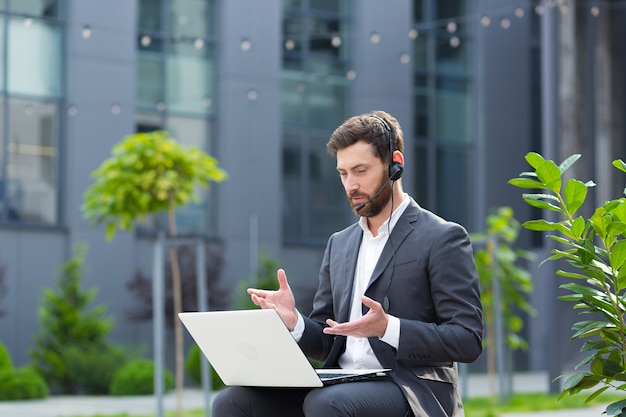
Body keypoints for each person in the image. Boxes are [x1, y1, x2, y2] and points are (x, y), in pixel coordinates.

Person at [212, 110, 483, 417]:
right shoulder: (340, 244)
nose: (350, 185)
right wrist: (294, 322)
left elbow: (467, 339)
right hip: (339, 384)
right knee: (231, 401)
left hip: (410, 390)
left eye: (360, 170)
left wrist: (387, 328)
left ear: (395, 164)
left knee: (326, 403)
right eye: (343, 173)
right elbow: (328, 341)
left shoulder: (442, 238)